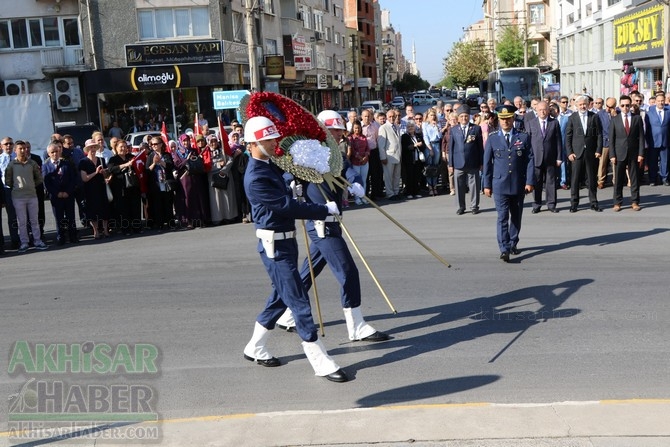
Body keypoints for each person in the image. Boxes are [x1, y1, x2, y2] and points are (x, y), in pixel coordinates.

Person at [241, 115, 347, 383]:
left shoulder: (269, 166)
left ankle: (254, 347)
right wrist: (323, 210)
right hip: (274, 246)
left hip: (286, 242)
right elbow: (287, 207)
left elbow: (289, 174)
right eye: (268, 138)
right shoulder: (256, 176)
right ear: (254, 143)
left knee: (279, 298)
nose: (274, 141)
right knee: (299, 302)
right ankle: (319, 360)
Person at [274, 110, 388, 342]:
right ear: (323, 129)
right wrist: (292, 186)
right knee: (348, 271)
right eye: (335, 130)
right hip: (320, 222)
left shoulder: (333, 152)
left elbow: (348, 170)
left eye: (340, 131)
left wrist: (356, 183)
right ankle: (356, 325)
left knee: (309, 270)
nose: (339, 135)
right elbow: (288, 176)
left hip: (333, 219)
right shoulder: (304, 153)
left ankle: (285, 313)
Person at [482, 106, 535, 262]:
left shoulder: (523, 137)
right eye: (502, 118)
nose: (505, 121)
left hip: (518, 183)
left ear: (513, 119)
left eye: (508, 118)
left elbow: (530, 160)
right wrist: (486, 184)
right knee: (502, 217)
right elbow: (487, 163)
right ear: (498, 119)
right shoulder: (492, 138)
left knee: (516, 216)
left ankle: (513, 242)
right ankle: (504, 248)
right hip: (499, 184)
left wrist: (529, 181)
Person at [4, 140, 48, 252]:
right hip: (18, 197)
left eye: (24, 148)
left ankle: (37, 241)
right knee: (22, 221)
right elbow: (8, 181)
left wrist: (30, 185)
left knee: (34, 220)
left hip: (32, 195)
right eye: (20, 149)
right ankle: (24, 242)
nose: (23, 151)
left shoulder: (32, 163)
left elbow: (39, 178)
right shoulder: (11, 165)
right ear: (15, 150)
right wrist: (18, 188)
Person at [565, 95, 603, 213]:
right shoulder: (572, 117)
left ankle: (593, 202)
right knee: (575, 179)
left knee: (591, 178)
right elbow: (568, 136)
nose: (582, 106)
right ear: (576, 105)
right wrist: (569, 152)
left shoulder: (594, 117)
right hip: (576, 153)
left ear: (588, 105)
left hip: (591, 153)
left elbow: (599, 135)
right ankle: (574, 203)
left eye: (584, 104)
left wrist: (598, 150)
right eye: (580, 104)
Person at [610, 95, 645, 212]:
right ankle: (617, 202)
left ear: (631, 106)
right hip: (619, 153)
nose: (625, 107)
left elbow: (641, 137)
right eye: (623, 105)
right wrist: (612, 155)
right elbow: (612, 139)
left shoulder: (637, 118)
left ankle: (635, 202)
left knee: (634, 179)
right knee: (619, 179)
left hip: (633, 153)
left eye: (627, 105)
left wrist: (641, 153)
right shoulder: (615, 119)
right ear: (620, 106)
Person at [526, 101, 563, 213]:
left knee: (550, 182)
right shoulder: (531, 123)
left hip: (550, 158)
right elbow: (528, 142)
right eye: (540, 109)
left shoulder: (554, 123)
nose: (542, 111)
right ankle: (536, 205)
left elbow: (558, 141)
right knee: (536, 182)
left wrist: (559, 157)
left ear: (548, 111)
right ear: (536, 111)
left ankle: (551, 204)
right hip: (535, 158)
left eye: (544, 109)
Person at [448, 104, 484, 215]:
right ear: (458, 117)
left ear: (469, 116)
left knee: (474, 185)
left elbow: (480, 147)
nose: (464, 118)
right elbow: (451, 148)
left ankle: (474, 206)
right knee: (459, 186)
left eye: (466, 116)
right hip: (458, 162)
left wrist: (481, 162)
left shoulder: (476, 129)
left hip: (473, 161)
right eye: (462, 116)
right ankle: (461, 206)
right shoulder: (454, 130)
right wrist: (450, 164)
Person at [42, 141, 79, 245]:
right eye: (52, 152)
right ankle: (60, 237)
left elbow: (73, 179)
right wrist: (56, 193)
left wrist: (68, 191)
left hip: (68, 195)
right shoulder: (46, 166)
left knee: (70, 216)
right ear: (48, 153)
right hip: (56, 196)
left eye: (56, 151)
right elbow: (46, 182)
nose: (55, 154)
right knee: (59, 218)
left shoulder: (66, 163)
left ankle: (73, 236)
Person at [172, 134, 210, 229]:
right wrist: (186, 160)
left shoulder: (193, 151)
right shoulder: (177, 153)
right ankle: (187, 221)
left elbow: (198, 162)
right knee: (187, 199)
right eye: (184, 141)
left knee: (197, 199)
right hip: (184, 180)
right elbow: (178, 165)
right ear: (180, 142)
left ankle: (199, 220)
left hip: (195, 178)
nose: (186, 143)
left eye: (187, 140)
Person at [108, 140, 142, 235]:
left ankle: (137, 227)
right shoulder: (113, 159)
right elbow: (111, 169)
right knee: (123, 209)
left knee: (135, 207)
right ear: (116, 148)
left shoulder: (131, 157)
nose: (123, 149)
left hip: (133, 187)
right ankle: (126, 229)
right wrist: (126, 165)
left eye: (124, 147)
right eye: (121, 147)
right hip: (120, 188)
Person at [79, 139, 112, 239]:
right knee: (93, 211)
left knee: (104, 209)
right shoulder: (83, 162)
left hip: (101, 187)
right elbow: (84, 178)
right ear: (87, 149)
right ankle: (96, 231)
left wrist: (106, 175)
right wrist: (96, 172)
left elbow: (107, 174)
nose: (92, 149)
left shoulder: (100, 159)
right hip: (90, 190)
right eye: (90, 148)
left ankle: (106, 230)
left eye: (94, 147)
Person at [207, 134, 238, 224]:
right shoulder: (207, 153)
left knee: (227, 197)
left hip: (225, 175)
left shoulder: (223, 150)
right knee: (216, 199)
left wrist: (224, 170)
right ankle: (218, 218)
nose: (213, 143)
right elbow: (206, 166)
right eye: (211, 142)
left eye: (215, 141)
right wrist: (217, 165)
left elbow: (230, 160)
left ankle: (229, 216)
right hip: (213, 177)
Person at [146, 137, 176, 231]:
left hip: (166, 182)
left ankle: (171, 223)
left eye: (156, 144)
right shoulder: (151, 155)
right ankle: (160, 224)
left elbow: (170, 166)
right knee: (157, 204)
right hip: (156, 183)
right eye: (152, 144)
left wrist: (161, 161)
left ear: (161, 144)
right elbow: (147, 170)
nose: (154, 146)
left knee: (168, 203)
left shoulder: (166, 155)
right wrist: (154, 163)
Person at [644, 90, 670, 186]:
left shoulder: (668, 111)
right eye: (659, 101)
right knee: (652, 161)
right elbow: (647, 128)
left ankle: (664, 178)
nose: (661, 102)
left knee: (665, 161)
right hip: (653, 141)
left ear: (665, 101)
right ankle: (652, 179)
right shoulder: (650, 112)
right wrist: (647, 141)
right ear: (655, 102)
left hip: (666, 140)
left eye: (662, 101)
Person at [378, 109, 402, 200]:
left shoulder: (397, 126)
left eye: (393, 116)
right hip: (389, 156)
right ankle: (390, 193)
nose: (392, 118)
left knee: (396, 176)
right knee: (388, 176)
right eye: (390, 117)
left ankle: (396, 192)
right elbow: (381, 145)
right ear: (387, 117)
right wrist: (383, 157)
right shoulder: (383, 128)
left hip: (398, 155)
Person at [0, 137, 20, 249]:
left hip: (18, 189)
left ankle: (17, 239)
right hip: (4, 190)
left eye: (10, 143)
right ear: (1, 146)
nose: (8, 146)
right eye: (6, 144)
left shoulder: (18, 158)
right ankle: (3, 242)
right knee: (7, 217)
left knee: (17, 216)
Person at [347, 120, 370, 205]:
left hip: (365, 162)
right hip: (356, 162)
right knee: (357, 181)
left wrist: (366, 156)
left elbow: (367, 148)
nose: (357, 130)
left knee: (364, 180)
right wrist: (359, 157)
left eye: (359, 128)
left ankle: (363, 197)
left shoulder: (363, 137)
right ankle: (357, 198)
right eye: (355, 128)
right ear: (353, 128)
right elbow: (352, 150)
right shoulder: (350, 138)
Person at [400, 120, 425, 198]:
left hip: (418, 159)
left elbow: (423, 146)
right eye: (409, 127)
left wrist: (420, 145)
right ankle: (409, 192)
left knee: (417, 176)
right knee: (409, 176)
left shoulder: (418, 136)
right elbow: (405, 147)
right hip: (409, 159)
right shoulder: (404, 136)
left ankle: (416, 191)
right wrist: (414, 145)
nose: (410, 128)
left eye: (412, 126)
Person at [597, 97, 618, 189]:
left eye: (611, 107)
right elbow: (598, 130)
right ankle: (601, 181)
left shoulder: (618, 114)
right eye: (607, 106)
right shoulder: (600, 114)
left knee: (615, 163)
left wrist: (615, 117)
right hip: (604, 142)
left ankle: (616, 181)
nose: (608, 108)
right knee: (602, 163)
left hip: (616, 143)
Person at [422, 109, 443, 196]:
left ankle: (434, 185)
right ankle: (430, 186)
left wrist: (437, 129)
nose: (433, 117)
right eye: (431, 115)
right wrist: (430, 149)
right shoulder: (425, 125)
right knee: (429, 167)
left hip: (437, 145)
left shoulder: (437, 124)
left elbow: (439, 136)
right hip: (429, 145)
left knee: (435, 167)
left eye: (434, 115)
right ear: (428, 116)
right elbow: (425, 137)